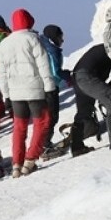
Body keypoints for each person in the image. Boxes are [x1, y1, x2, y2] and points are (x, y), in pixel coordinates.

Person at [0, 9, 57, 177]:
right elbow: (44, 65)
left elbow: (1, 73)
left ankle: (16, 164)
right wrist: (50, 88)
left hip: (15, 93)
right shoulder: (33, 39)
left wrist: (5, 95)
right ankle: (30, 160)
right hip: (34, 89)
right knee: (42, 122)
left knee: (19, 127)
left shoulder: (5, 44)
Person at [69, 42, 111, 155]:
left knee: (83, 112)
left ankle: (77, 147)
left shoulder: (104, 48)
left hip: (78, 76)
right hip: (86, 76)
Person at [38, 24, 71, 156]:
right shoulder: (52, 50)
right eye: (60, 38)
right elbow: (55, 71)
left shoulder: (43, 46)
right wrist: (67, 76)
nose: (62, 41)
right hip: (50, 86)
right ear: (54, 37)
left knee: (45, 117)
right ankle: (45, 145)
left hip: (41, 86)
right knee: (51, 116)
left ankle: (43, 143)